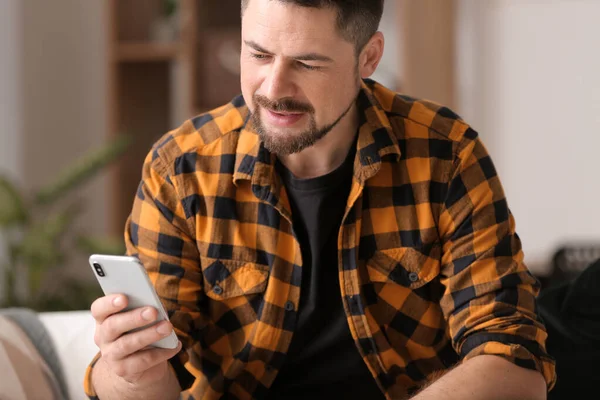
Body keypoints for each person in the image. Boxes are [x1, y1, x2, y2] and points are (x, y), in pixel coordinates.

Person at [84, 0, 556, 399]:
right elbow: (152, 385)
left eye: (307, 63)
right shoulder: (182, 168)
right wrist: (130, 372)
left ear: (368, 58)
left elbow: (513, 358)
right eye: (258, 54)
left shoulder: (446, 154)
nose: (272, 89)